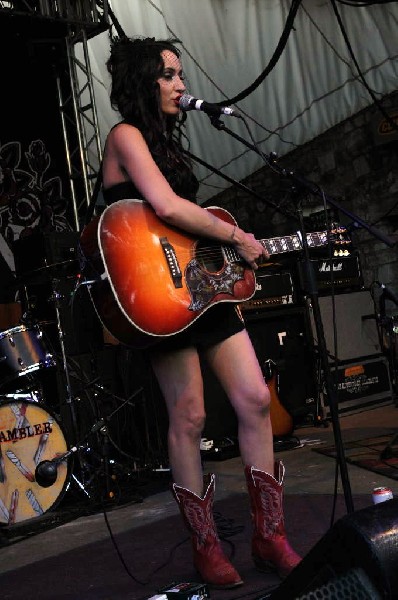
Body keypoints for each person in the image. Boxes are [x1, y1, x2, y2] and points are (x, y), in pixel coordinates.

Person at [101, 35, 301, 589]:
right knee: (188, 416)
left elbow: (184, 223)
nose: (182, 85)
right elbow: (164, 207)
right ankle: (206, 545)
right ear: (143, 80)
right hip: (156, 294)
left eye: (180, 75)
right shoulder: (126, 135)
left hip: (199, 291)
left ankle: (271, 535)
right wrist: (236, 234)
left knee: (256, 399)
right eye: (168, 75)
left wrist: (227, 257)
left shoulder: (169, 141)